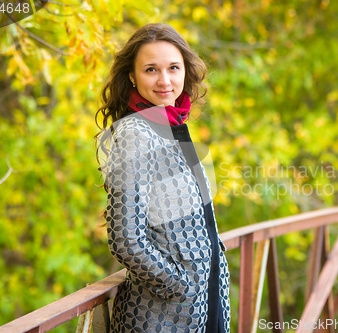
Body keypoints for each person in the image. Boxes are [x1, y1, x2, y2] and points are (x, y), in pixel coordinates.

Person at [94, 23, 230, 333]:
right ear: (132, 75)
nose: (165, 80)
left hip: (203, 306)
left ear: (186, 70)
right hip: (161, 317)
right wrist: (180, 286)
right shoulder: (135, 134)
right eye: (151, 70)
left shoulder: (173, 126)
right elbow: (125, 239)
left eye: (173, 68)